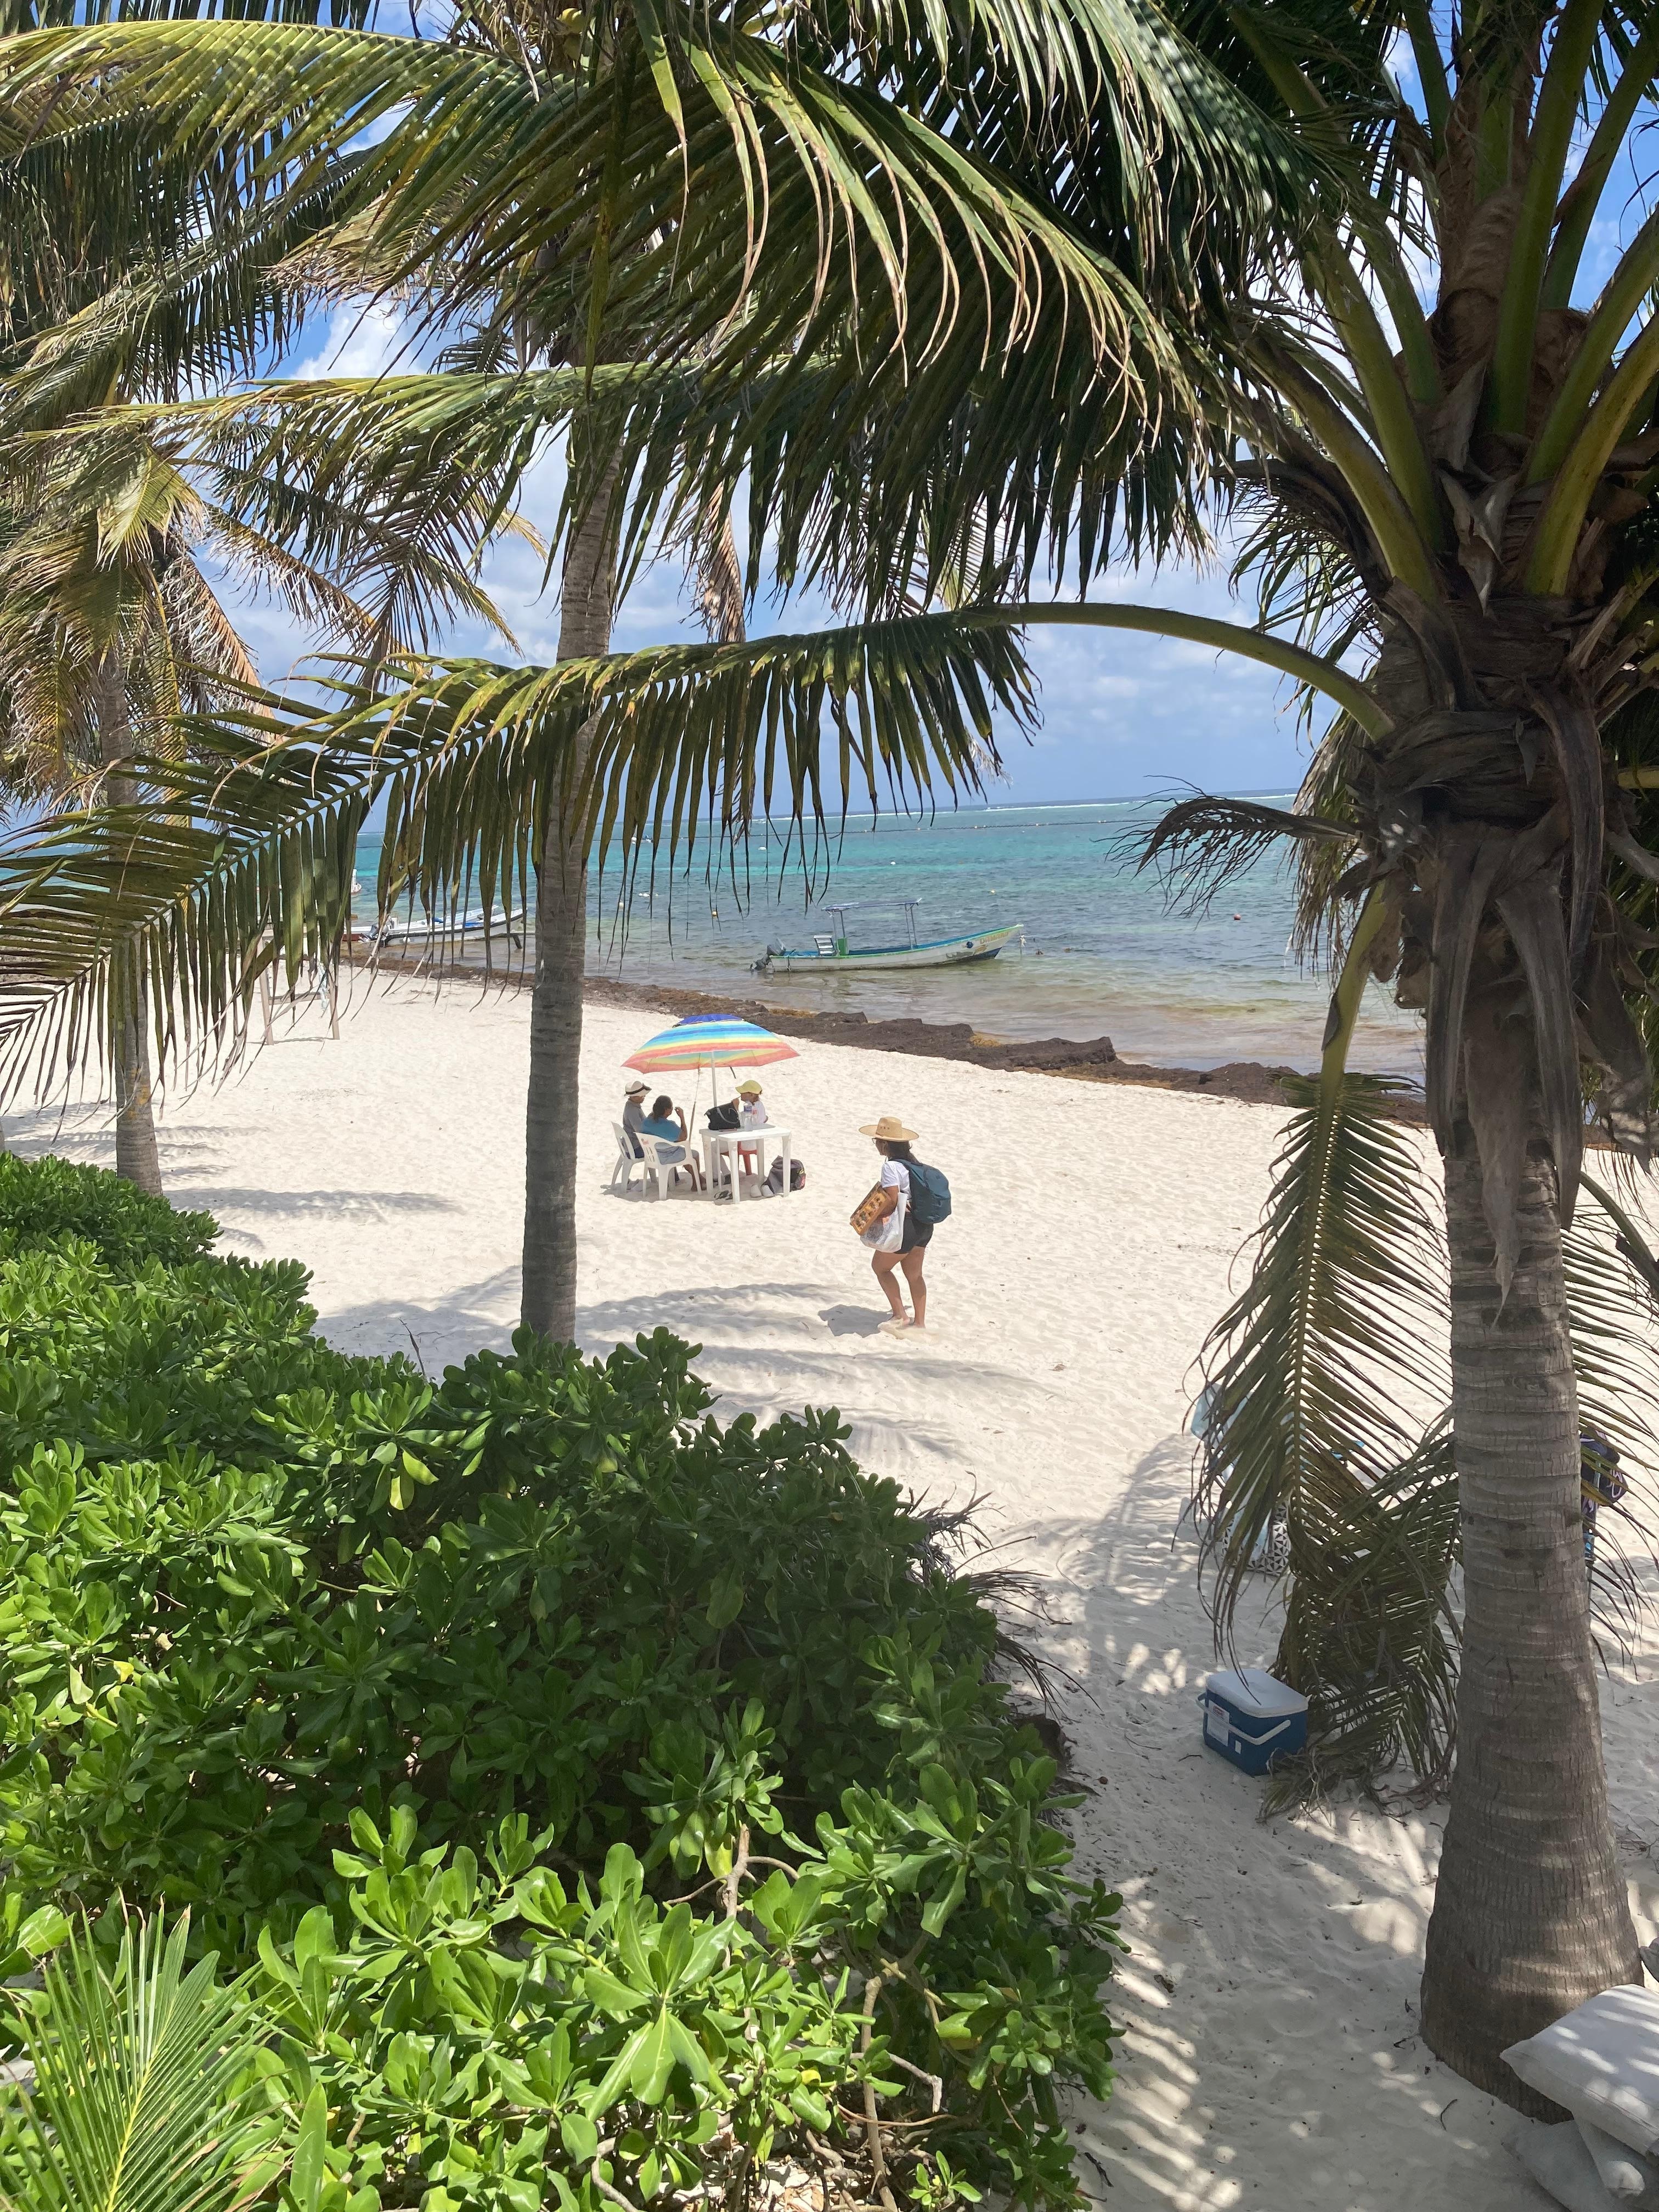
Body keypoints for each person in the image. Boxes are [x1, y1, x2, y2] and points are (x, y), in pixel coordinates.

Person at [857, 1113, 929, 1334]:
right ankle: (920, 1323)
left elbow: (892, 1198)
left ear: (885, 1144)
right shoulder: (915, 1165)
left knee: (880, 1268)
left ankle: (900, 1316)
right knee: (915, 1275)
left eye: (876, 1141)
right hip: (924, 1225)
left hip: (905, 1226)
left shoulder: (891, 1167)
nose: (876, 1144)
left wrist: (874, 1216)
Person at [638, 1092, 703, 1191]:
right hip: (666, 1156)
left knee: (684, 1153)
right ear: (667, 1110)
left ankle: (700, 1179)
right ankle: (696, 1184)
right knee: (694, 1155)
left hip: (652, 1156)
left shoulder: (647, 1121)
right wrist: (682, 1118)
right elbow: (684, 1137)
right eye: (671, 1107)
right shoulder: (668, 1125)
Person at [736, 1077, 768, 1180]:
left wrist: (736, 1108)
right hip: (757, 1142)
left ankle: (724, 1175)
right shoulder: (760, 1105)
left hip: (746, 1142)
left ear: (752, 1095)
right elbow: (764, 1118)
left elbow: (743, 1123)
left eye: (743, 1092)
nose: (741, 1094)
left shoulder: (748, 1106)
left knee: (714, 1147)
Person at [622, 1079, 649, 1157]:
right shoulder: (633, 1110)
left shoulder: (632, 1105)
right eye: (642, 1095)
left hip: (632, 1145)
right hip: (635, 1148)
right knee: (664, 1151)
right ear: (634, 1097)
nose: (644, 1097)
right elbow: (640, 1131)